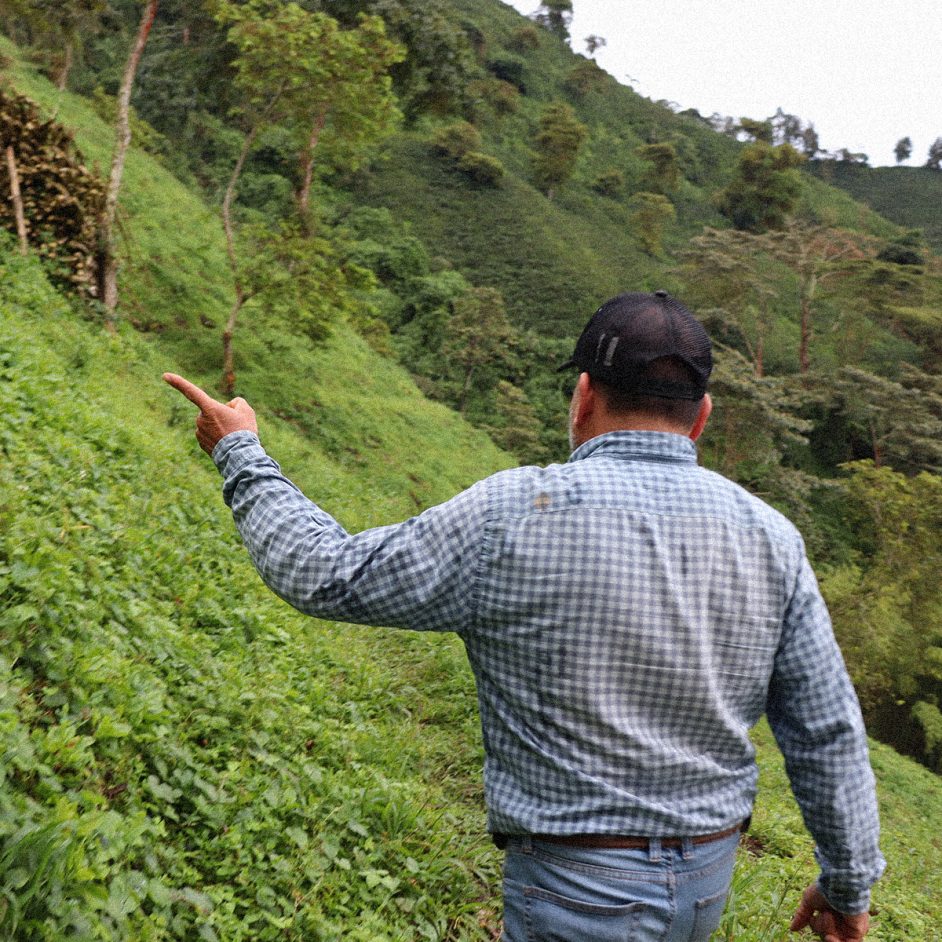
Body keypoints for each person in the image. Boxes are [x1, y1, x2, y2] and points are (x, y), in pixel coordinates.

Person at [164, 290, 883, 942]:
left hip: (575, 890)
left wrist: (241, 454)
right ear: (701, 417)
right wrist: (848, 885)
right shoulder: (772, 537)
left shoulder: (514, 513)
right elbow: (825, 732)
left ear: (582, 397)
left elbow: (325, 574)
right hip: (704, 887)